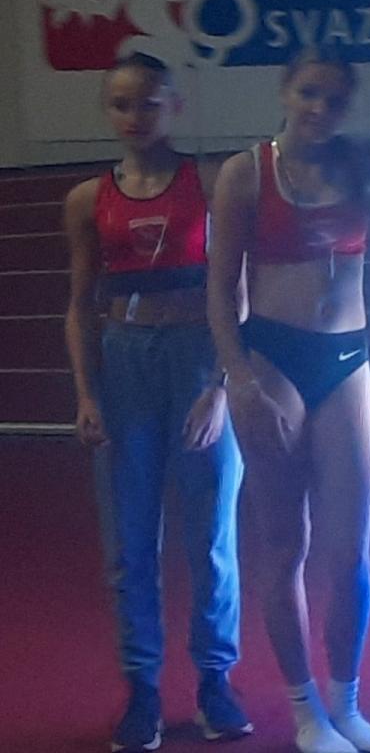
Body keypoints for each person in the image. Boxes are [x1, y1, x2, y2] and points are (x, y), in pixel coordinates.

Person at [208, 47, 370, 753]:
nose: (321, 109)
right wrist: (238, 377)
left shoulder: (362, 163)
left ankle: (347, 704)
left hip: (348, 362)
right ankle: (305, 711)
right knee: (285, 544)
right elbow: (221, 287)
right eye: (309, 94)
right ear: (285, 92)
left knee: (351, 553)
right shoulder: (245, 174)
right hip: (273, 361)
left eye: (336, 99)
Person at [64, 52, 251, 751]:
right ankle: (142, 689)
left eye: (148, 101)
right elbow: (80, 305)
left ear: (175, 105)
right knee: (130, 541)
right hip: (124, 366)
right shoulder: (87, 200)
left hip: (199, 358)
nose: (134, 115)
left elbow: (237, 292)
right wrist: (87, 393)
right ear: (107, 111)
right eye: (121, 103)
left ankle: (215, 680)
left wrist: (221, 386)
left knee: (211, 535)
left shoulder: (211, 183)